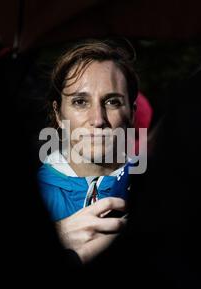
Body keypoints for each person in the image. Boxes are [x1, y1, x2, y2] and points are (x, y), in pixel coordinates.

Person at [37, 40, 140, 263]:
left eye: (112, 101)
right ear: (58, 113)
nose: (97, 119)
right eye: (80, 101)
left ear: (132, 112)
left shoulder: (164, 194)